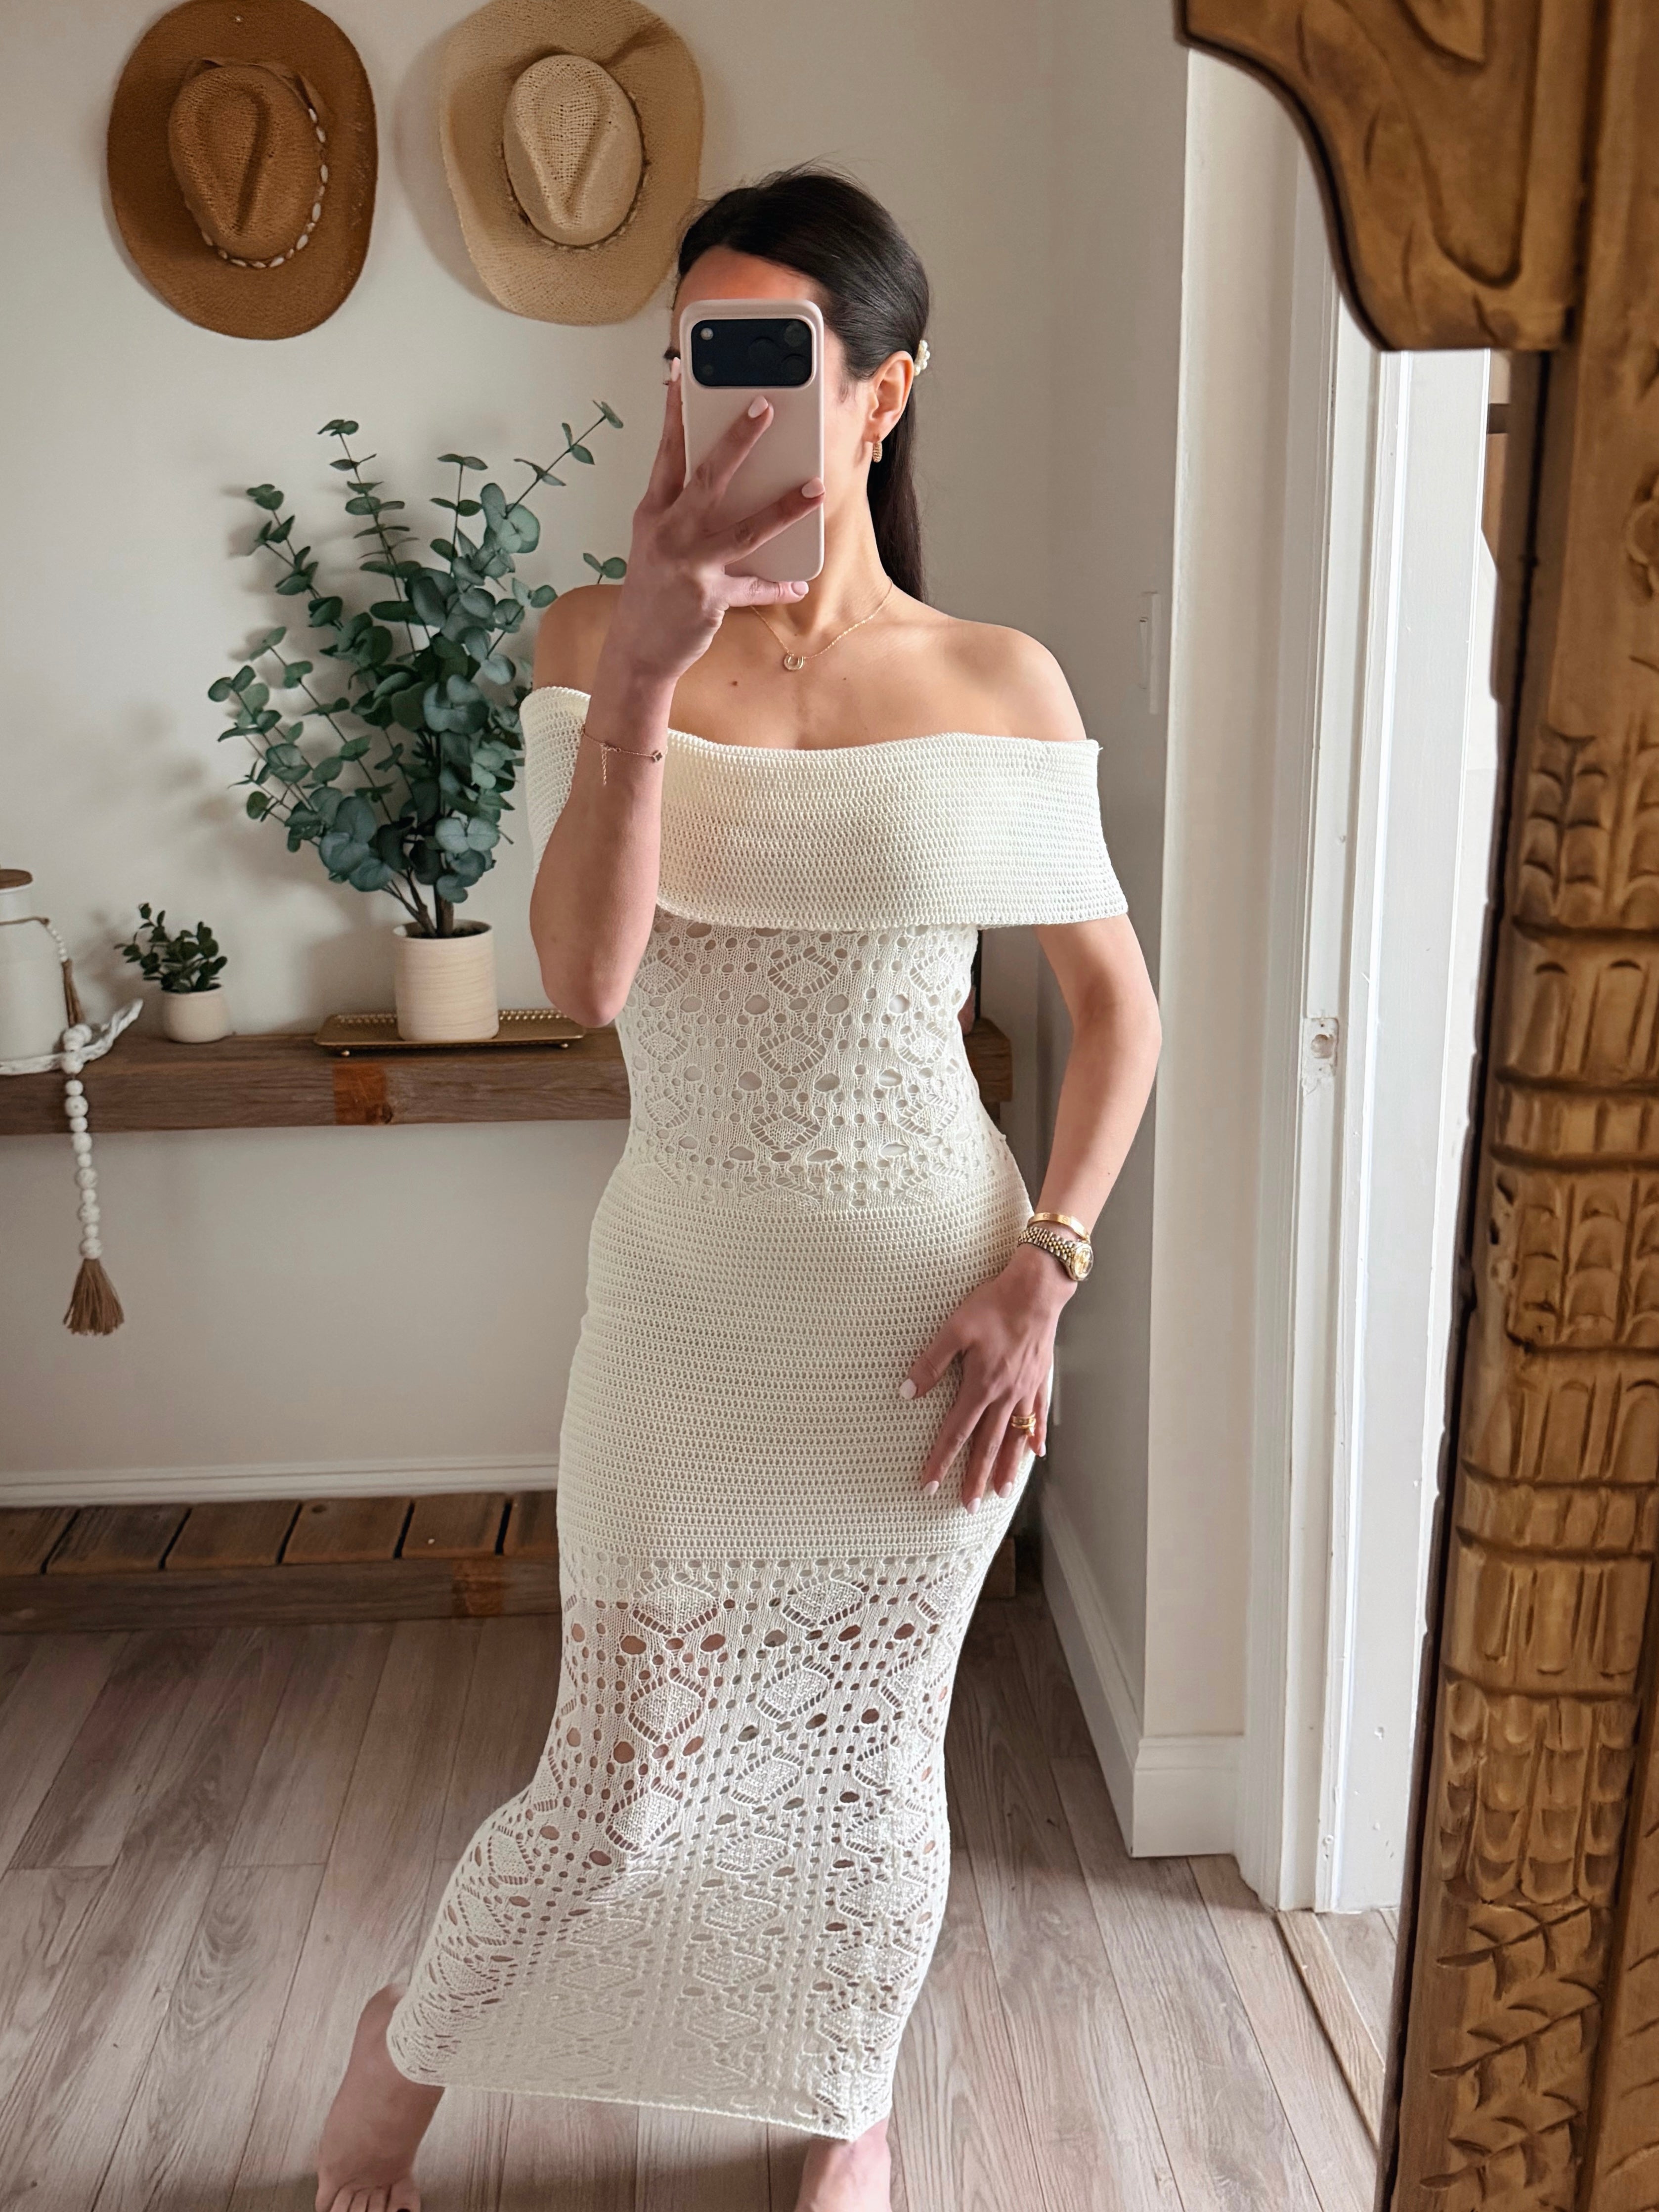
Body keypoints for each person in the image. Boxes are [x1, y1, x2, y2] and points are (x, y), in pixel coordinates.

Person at [314, 167, 1161, 2212]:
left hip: (931, 1313)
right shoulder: (590, 639)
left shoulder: (998, 680)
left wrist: (1043, 1272)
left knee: (868, 1766)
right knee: (621, 1766)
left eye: (775, 357)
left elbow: (1114, 1015)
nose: (729, 402)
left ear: (882, 393)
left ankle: (839, 2099)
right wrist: (642, 676)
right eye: (701, 356)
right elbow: (584, 981)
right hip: (685, 1305)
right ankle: (401, 2060)